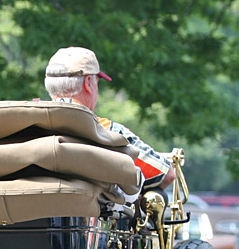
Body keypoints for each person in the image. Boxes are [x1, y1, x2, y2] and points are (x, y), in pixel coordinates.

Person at [44, 46, 175, 191]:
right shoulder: (105, 130)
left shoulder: (25, 126)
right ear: (88, 83)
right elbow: (165, 174)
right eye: (97, 83)